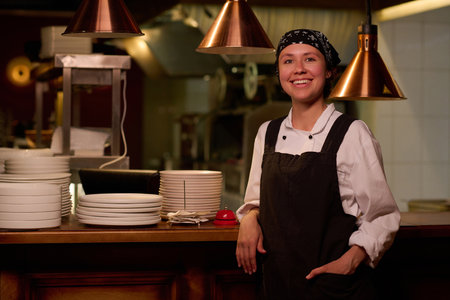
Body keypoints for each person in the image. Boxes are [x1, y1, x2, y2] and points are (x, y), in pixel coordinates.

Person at [235, 29, 400, 300]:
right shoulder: (268, 132)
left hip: (332, 288)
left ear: (329, 71)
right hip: (276, 285)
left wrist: (351, 260)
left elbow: (383, 216)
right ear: (279, 74)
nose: (299, 69)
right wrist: (249, 219)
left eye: (310, 59)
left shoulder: (352, 132)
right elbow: (256, 201)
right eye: (288, 61)